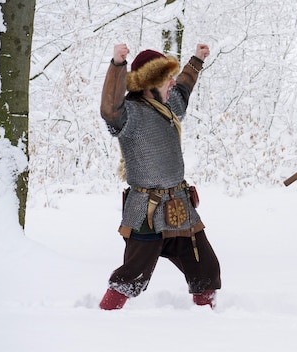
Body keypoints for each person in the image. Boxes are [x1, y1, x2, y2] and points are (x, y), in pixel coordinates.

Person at [98, 43, 221, 310]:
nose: (173, 83)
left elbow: (184, 89)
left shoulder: (167, 106)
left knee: (206, 269)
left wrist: (196, 61)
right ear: (150, 82)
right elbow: (110, 109)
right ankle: (104, 318)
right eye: (167, 78)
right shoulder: (128, 114)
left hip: (179, 205)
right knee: (132, 276)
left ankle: (207, 322)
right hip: (146, 209)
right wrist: (118, 66)